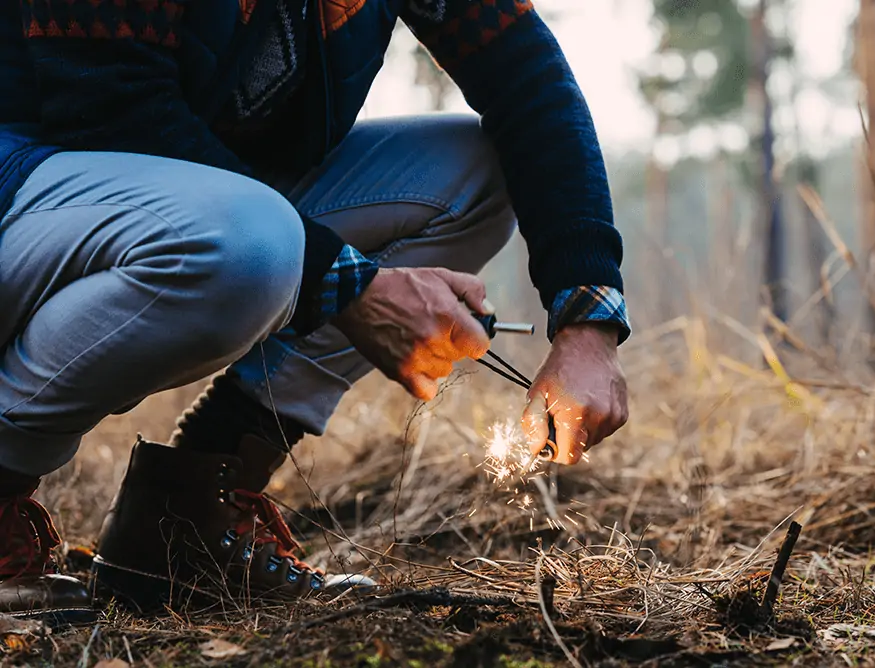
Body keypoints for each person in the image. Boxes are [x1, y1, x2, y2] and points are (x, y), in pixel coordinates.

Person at [0, 0, 631, 622]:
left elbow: (527, 79)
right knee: (256, 243)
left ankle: (188, 516)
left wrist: (587, 325)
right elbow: (107, 108)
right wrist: (351, 283)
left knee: (476, 174)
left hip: (201, 200)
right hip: (31, 184)